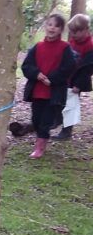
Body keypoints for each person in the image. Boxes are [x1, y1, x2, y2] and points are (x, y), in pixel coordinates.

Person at [19, 13, 76, 159]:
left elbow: (69, 67)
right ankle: (40, 138)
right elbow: (26, 66)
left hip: (54, 93)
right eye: (50, 24)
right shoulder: (37, 47)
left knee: (46, 121)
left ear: (61, 30)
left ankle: (40, 147)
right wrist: (37, 74)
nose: (52, 28)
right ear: (45, 26)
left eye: (56, 26)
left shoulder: (65, 48)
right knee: (37, 119)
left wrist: (53, 79)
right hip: (37, 91)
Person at [53, 12, 93, 140]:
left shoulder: (90, 46)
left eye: (76, 32)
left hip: (77, 81)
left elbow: (87, 69)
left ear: (85, 30)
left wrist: (78, 85)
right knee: (59, 101)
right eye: (72, 32)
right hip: (66, 78)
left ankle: (66, 131)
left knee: (70, 105)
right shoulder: (72, 42)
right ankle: (57, 120)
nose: (74, 35)